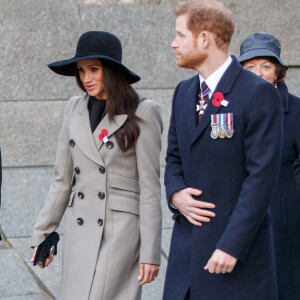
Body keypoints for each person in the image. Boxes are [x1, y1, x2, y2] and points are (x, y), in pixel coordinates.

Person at [163, 1, 283, 299]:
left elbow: (261, 178)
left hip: (234, 261)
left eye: (180, 35)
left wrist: (232, 245)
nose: (173, 43)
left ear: (204, 38)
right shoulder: (183, 93)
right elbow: (174, 158)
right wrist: (176, 194)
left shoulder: (258, 93)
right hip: (186, 257)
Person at [30, 31, 163, 300]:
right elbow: (62, 180)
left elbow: (149, 188)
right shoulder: (73, 108)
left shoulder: (143, 111)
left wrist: (151, 251)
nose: (86, 79)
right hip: (80, 229)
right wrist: (41, 233)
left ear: (112, 70)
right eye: (81, 71)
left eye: (94, 69)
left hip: (119, 231)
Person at [239, 32, 300, 300]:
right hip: (239, 224)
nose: (258, 73)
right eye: (250, 67)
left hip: (286, 226)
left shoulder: (296, 110)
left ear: (278, 72)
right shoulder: (229, 113)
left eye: (266, 66)